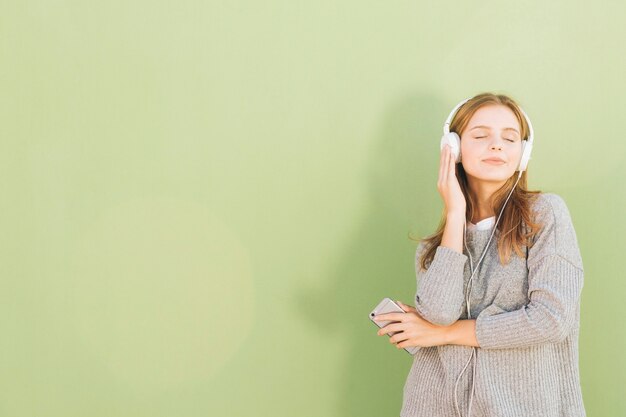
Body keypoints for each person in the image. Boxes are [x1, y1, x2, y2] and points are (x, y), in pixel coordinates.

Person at [372, 92, 586, 416]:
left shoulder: (545, 215)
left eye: (509, 138)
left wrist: (442, 335)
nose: (497, 145)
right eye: (481, 135)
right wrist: (455, 212)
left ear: (523, 153)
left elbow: (551, 320)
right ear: (454, 149)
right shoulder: (434, 249)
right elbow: (440, 312)